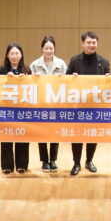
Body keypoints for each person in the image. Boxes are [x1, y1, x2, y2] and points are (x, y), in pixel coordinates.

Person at [66, 30, 110, 175]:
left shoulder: (104, 62)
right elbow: (66, 81)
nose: (91, 45)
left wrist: (109, 79)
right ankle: (76, 163)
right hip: (78, 105)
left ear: (97, 43)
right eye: (88, 42)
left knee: (93, 134)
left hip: (95, 106)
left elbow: (109, 86)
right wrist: (71, 78)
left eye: (94, 42)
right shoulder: (74, 60)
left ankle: (89, 160)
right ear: (83, 44)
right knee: (77, 135)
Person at [30, 35, 66, 173]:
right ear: (42, 49)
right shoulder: (34, 65)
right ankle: (44, 161)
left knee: (55, 132)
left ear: (54, 49)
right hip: (41, 103)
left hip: (56, 104)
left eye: (51, 48)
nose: (49, 51)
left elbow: (68, 83)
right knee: (42, 133)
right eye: (46, 48)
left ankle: (53, 160)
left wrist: (63, 78)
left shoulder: (61, 64)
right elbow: (30, 84)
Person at [0, 43, 30, 174]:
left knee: (23, 136)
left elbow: (33, 87)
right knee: (6, 137)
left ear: (21, 55)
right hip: (6, 110)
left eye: (17, 53)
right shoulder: (1, 71)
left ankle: (22, 164)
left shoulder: (27, 70)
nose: (14, 56)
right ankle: (7, 165)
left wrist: (26, 79)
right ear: (7, 55)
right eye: (12, 53)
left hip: (23, 109)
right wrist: (6, 80)